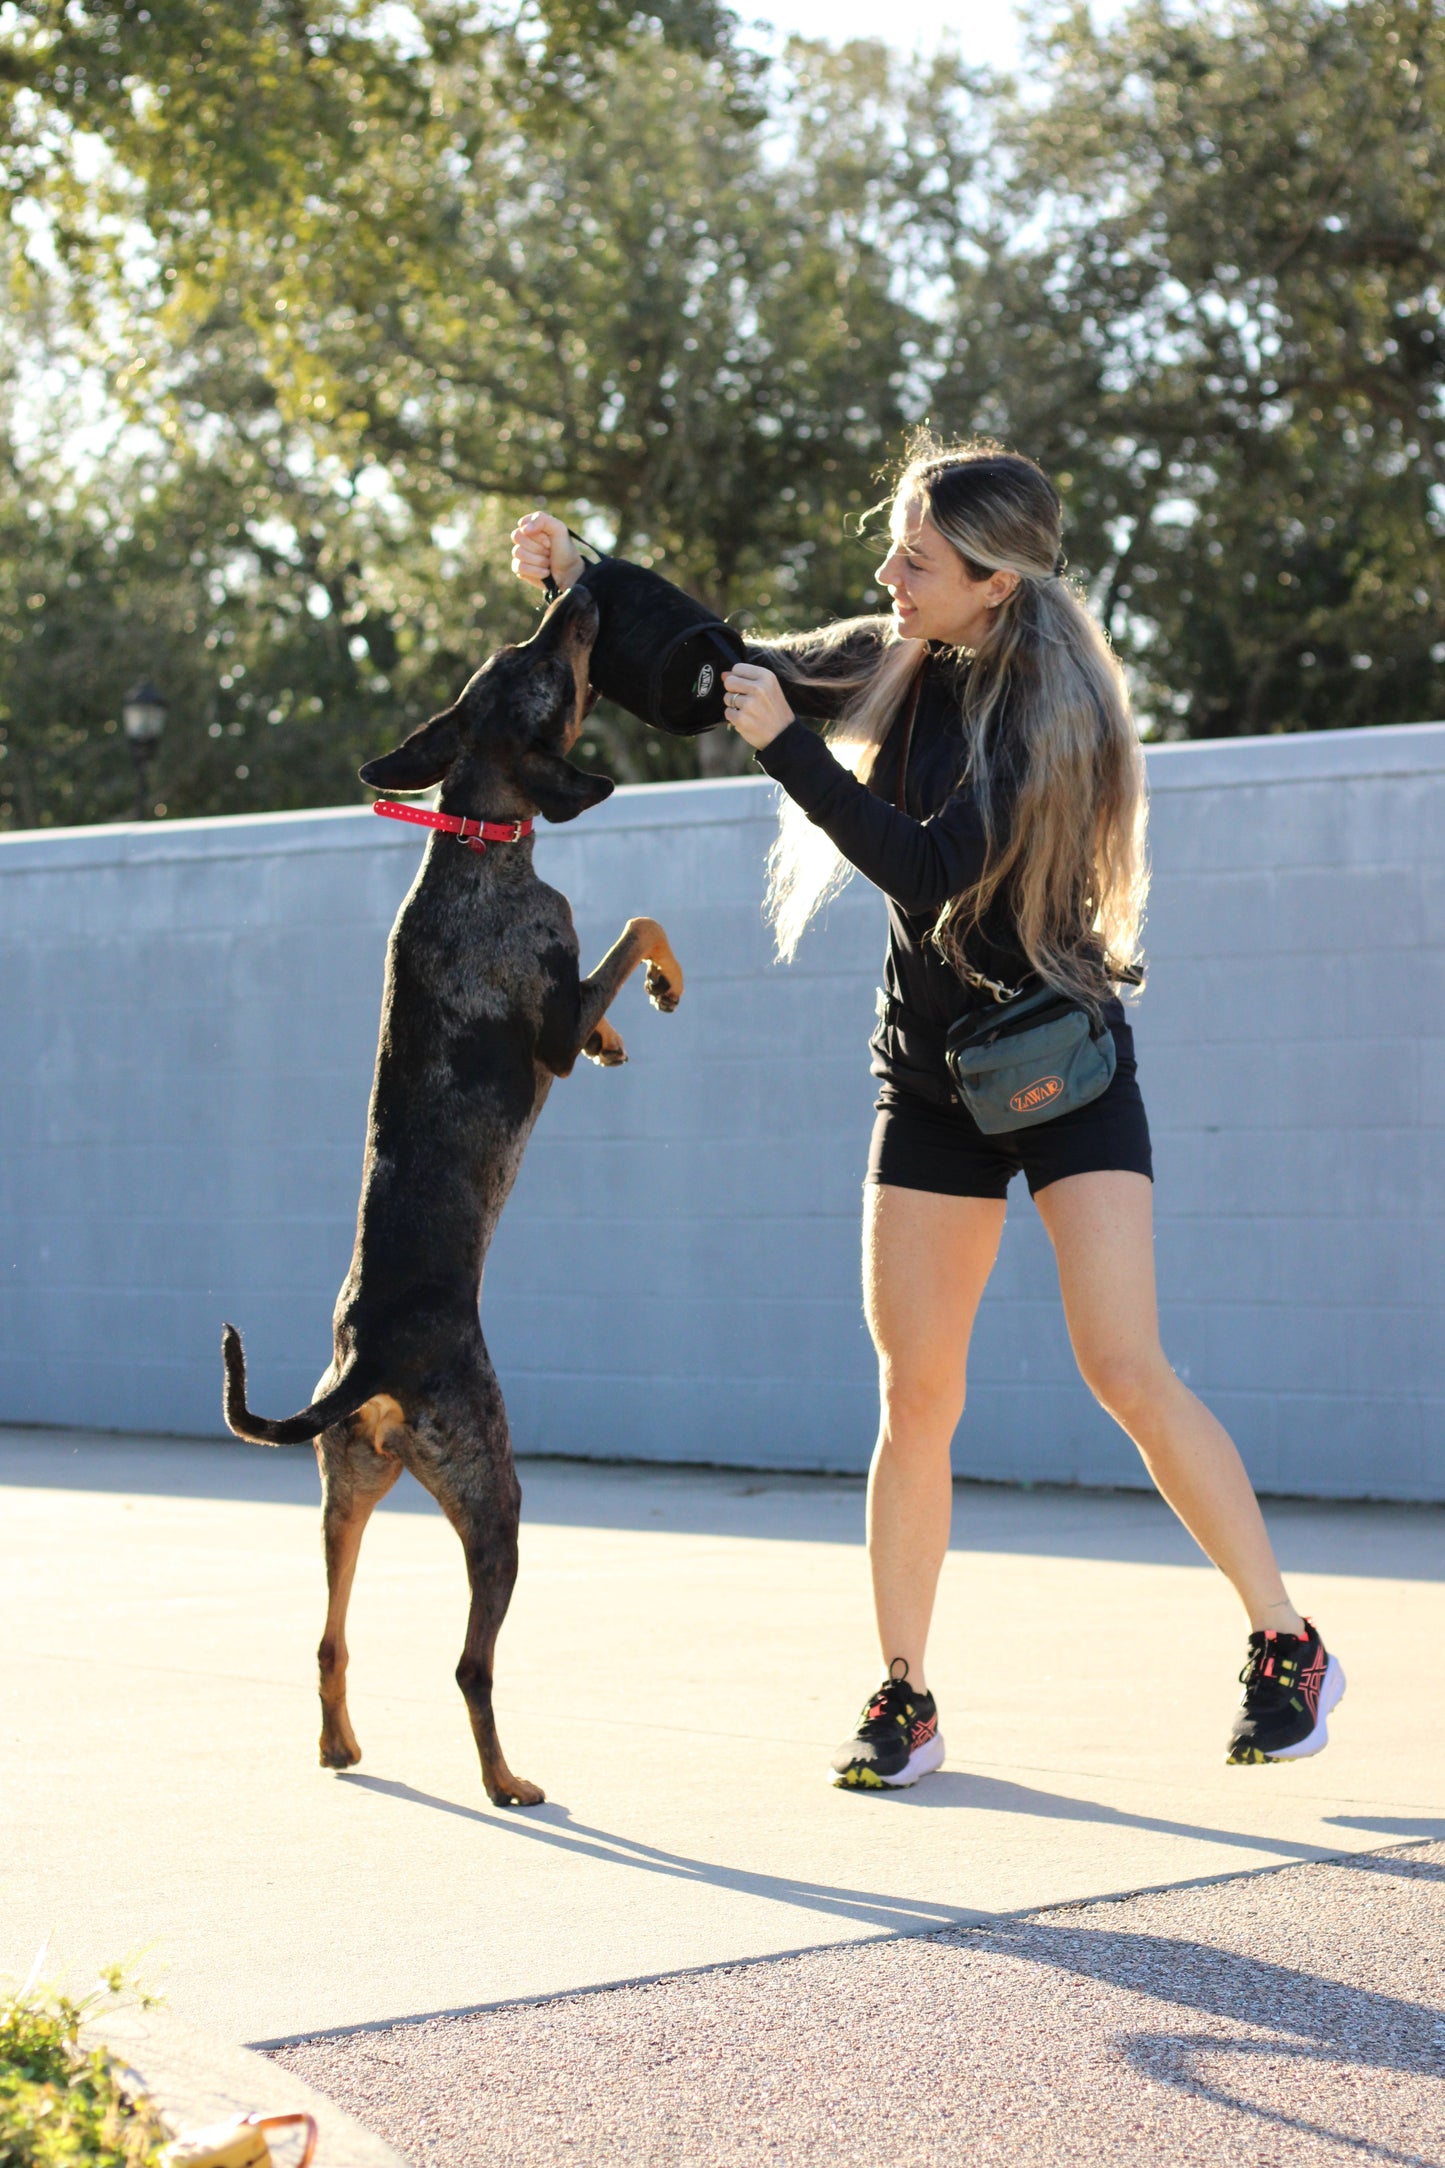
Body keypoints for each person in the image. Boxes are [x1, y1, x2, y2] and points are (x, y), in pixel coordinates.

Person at [509, 438, 1345, 1787]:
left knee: (1123, 1370)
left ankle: (1284, 1642)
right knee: (917, 1390)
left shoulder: (1047, 714)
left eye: (917, 559)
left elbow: (929, 868)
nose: (889, 574)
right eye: (893, 549)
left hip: (1060, 1069)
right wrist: (583, 586)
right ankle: (903, 1696)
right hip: (929, 1078)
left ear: (993, 584)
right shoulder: (893, 648)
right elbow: (718, 672)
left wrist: (787, 753)